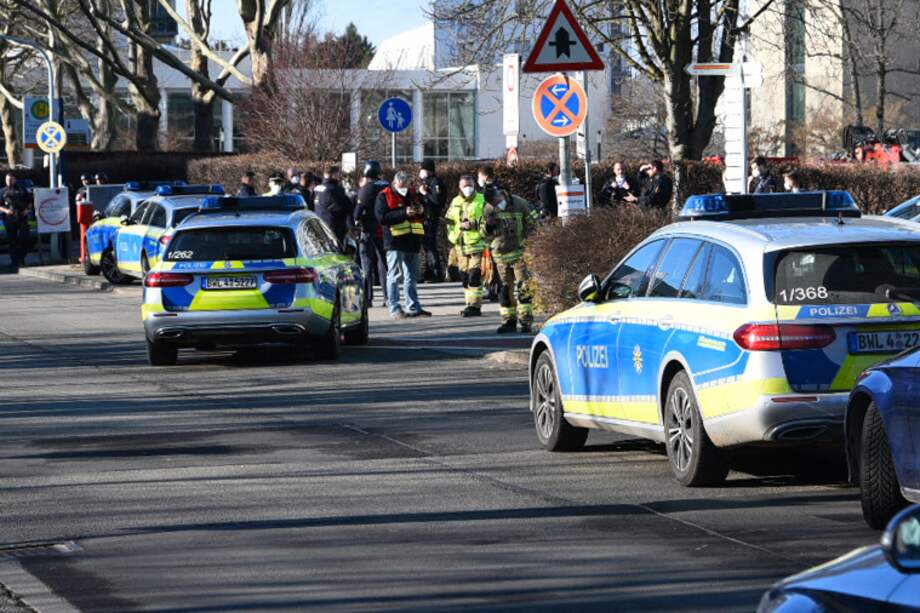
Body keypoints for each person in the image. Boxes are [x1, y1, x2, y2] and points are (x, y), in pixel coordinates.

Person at [375, 170, 430, 318]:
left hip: (412, 240)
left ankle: (413, 306)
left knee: (411, 276)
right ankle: (395, 308)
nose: (404, 187)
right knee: (394, 276)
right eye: (401, 185)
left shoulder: (413, 194)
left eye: (406, 185)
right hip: (395, 242)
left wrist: (421, 210)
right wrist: (404, 213)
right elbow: (382, 218)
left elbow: (424, 212)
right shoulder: (384, 196)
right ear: (395, 183)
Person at [483, 186, 536, 334]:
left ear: (501, 195)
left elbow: (534, 223)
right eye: (492, 204)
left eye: (496, 201)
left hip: (519, 253)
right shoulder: (488, 209)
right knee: (504, 290)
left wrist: (529, 244)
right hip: (500, 255)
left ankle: (526, 321)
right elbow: (483, 233)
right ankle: (508, 321)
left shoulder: (520, 204)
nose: (496, 205)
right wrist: (489, 226)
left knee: (523, 287)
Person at [446, 175, 487, 317]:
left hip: (477, 244)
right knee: (464, 276)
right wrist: (455, 234)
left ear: (474, 185)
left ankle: (475, 306)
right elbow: (449, 222)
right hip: (460, 245)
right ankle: (469, 303)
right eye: (465, 186)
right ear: (460, 187)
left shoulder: (482, 200)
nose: (468, 188)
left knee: (474, 275)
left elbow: (490, 221)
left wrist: (474, 225)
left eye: (470, 185)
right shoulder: (455, 201)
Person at [354, 160, 389, 305]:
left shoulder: (366, 189)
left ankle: (368, 298)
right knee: (384, 263)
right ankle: (388, 296)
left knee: (366, 263)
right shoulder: (388, 186)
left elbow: (358, 212)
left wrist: (356, 221)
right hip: (385, 229)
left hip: (368, 230)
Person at [418, 159, 446, 283]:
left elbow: (436, 201)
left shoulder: (436, 183)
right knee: (426, 245)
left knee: (430, 245)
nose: (421, 172)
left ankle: (436, 273)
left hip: (431, 217)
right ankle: (429, 271)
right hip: (425, 217)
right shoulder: (427, 182)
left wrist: (425, 193)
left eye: (423, 169)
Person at [0, 172, 32, 270]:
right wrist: (6, 211)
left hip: (22, 217)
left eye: (10, 179)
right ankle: (14, 262)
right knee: (12, 242)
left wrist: (27, 210)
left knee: (25, 240)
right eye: (7, 180)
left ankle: (21, 259)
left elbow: (30, 202)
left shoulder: (22, 190)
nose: (8, 181)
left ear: (15, 179)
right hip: (9, 219)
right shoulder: (2, 191)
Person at [314, 165, 353, 245]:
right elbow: (344, 207)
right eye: (338, 174)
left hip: (319, 225)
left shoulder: (317, 188)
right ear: (333, 175)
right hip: (334, 227)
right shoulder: (335, 189)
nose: (339, 176)